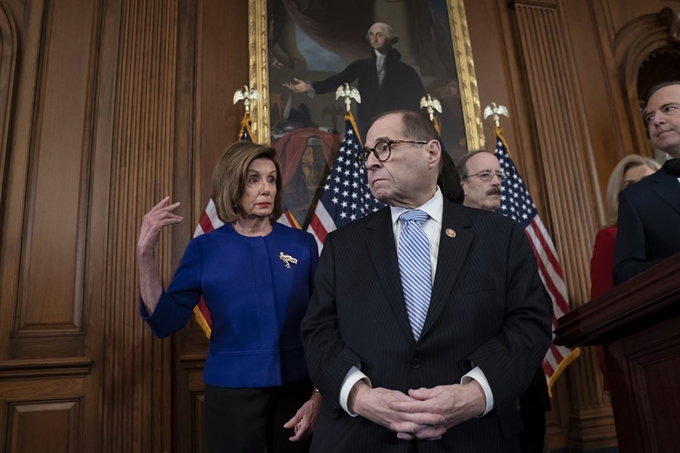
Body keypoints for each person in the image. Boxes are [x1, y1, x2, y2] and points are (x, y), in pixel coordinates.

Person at [301, 110, 552, 452]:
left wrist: (476, 393)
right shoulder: (341, 245)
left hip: (473, 437)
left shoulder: (501, 236)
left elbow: (529, 322)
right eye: (367, 154)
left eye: (384, 148)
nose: (371, 163)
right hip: (360, 438)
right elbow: (319, 331)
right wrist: (359, 396)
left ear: (431, 153)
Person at [137, 142, 321, 453]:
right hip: (231, 395)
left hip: (296, 391)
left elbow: (324, 322)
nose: (265, 189)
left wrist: (319, 393)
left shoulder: (302, 243)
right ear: (232, 186)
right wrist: (145, 255)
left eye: (271, 179)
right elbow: (166, 320)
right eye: (253, 179)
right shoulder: (205, 248)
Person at [457, 150, 551, 453]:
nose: (496, 182)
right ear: (462, 186)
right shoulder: (448, 238)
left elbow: (534, 309)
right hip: (470, 387)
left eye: (499, 176)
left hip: (524, 385)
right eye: (485, 176)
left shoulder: (511, 233)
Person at [590, 154, 660, 390]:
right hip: (645, 361)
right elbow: (604, 312)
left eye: (649, 180)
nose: (642, 189)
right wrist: (613, 375)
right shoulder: (611, 238)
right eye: (630, 186)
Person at [284, 23, 426, 137]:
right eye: (371, 35)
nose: (374, 38)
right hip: (370, 124)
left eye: (379, 35)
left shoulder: (406, 71)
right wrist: (310, 87)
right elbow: (338, 80)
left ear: (389, 39)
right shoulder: (362, 65)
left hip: (399, 127)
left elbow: (419, 99)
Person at [614, 81, 680, 285]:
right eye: (650, 117)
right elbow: (624, 273)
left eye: (668, 109)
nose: (656, 121)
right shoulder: (637, 197)